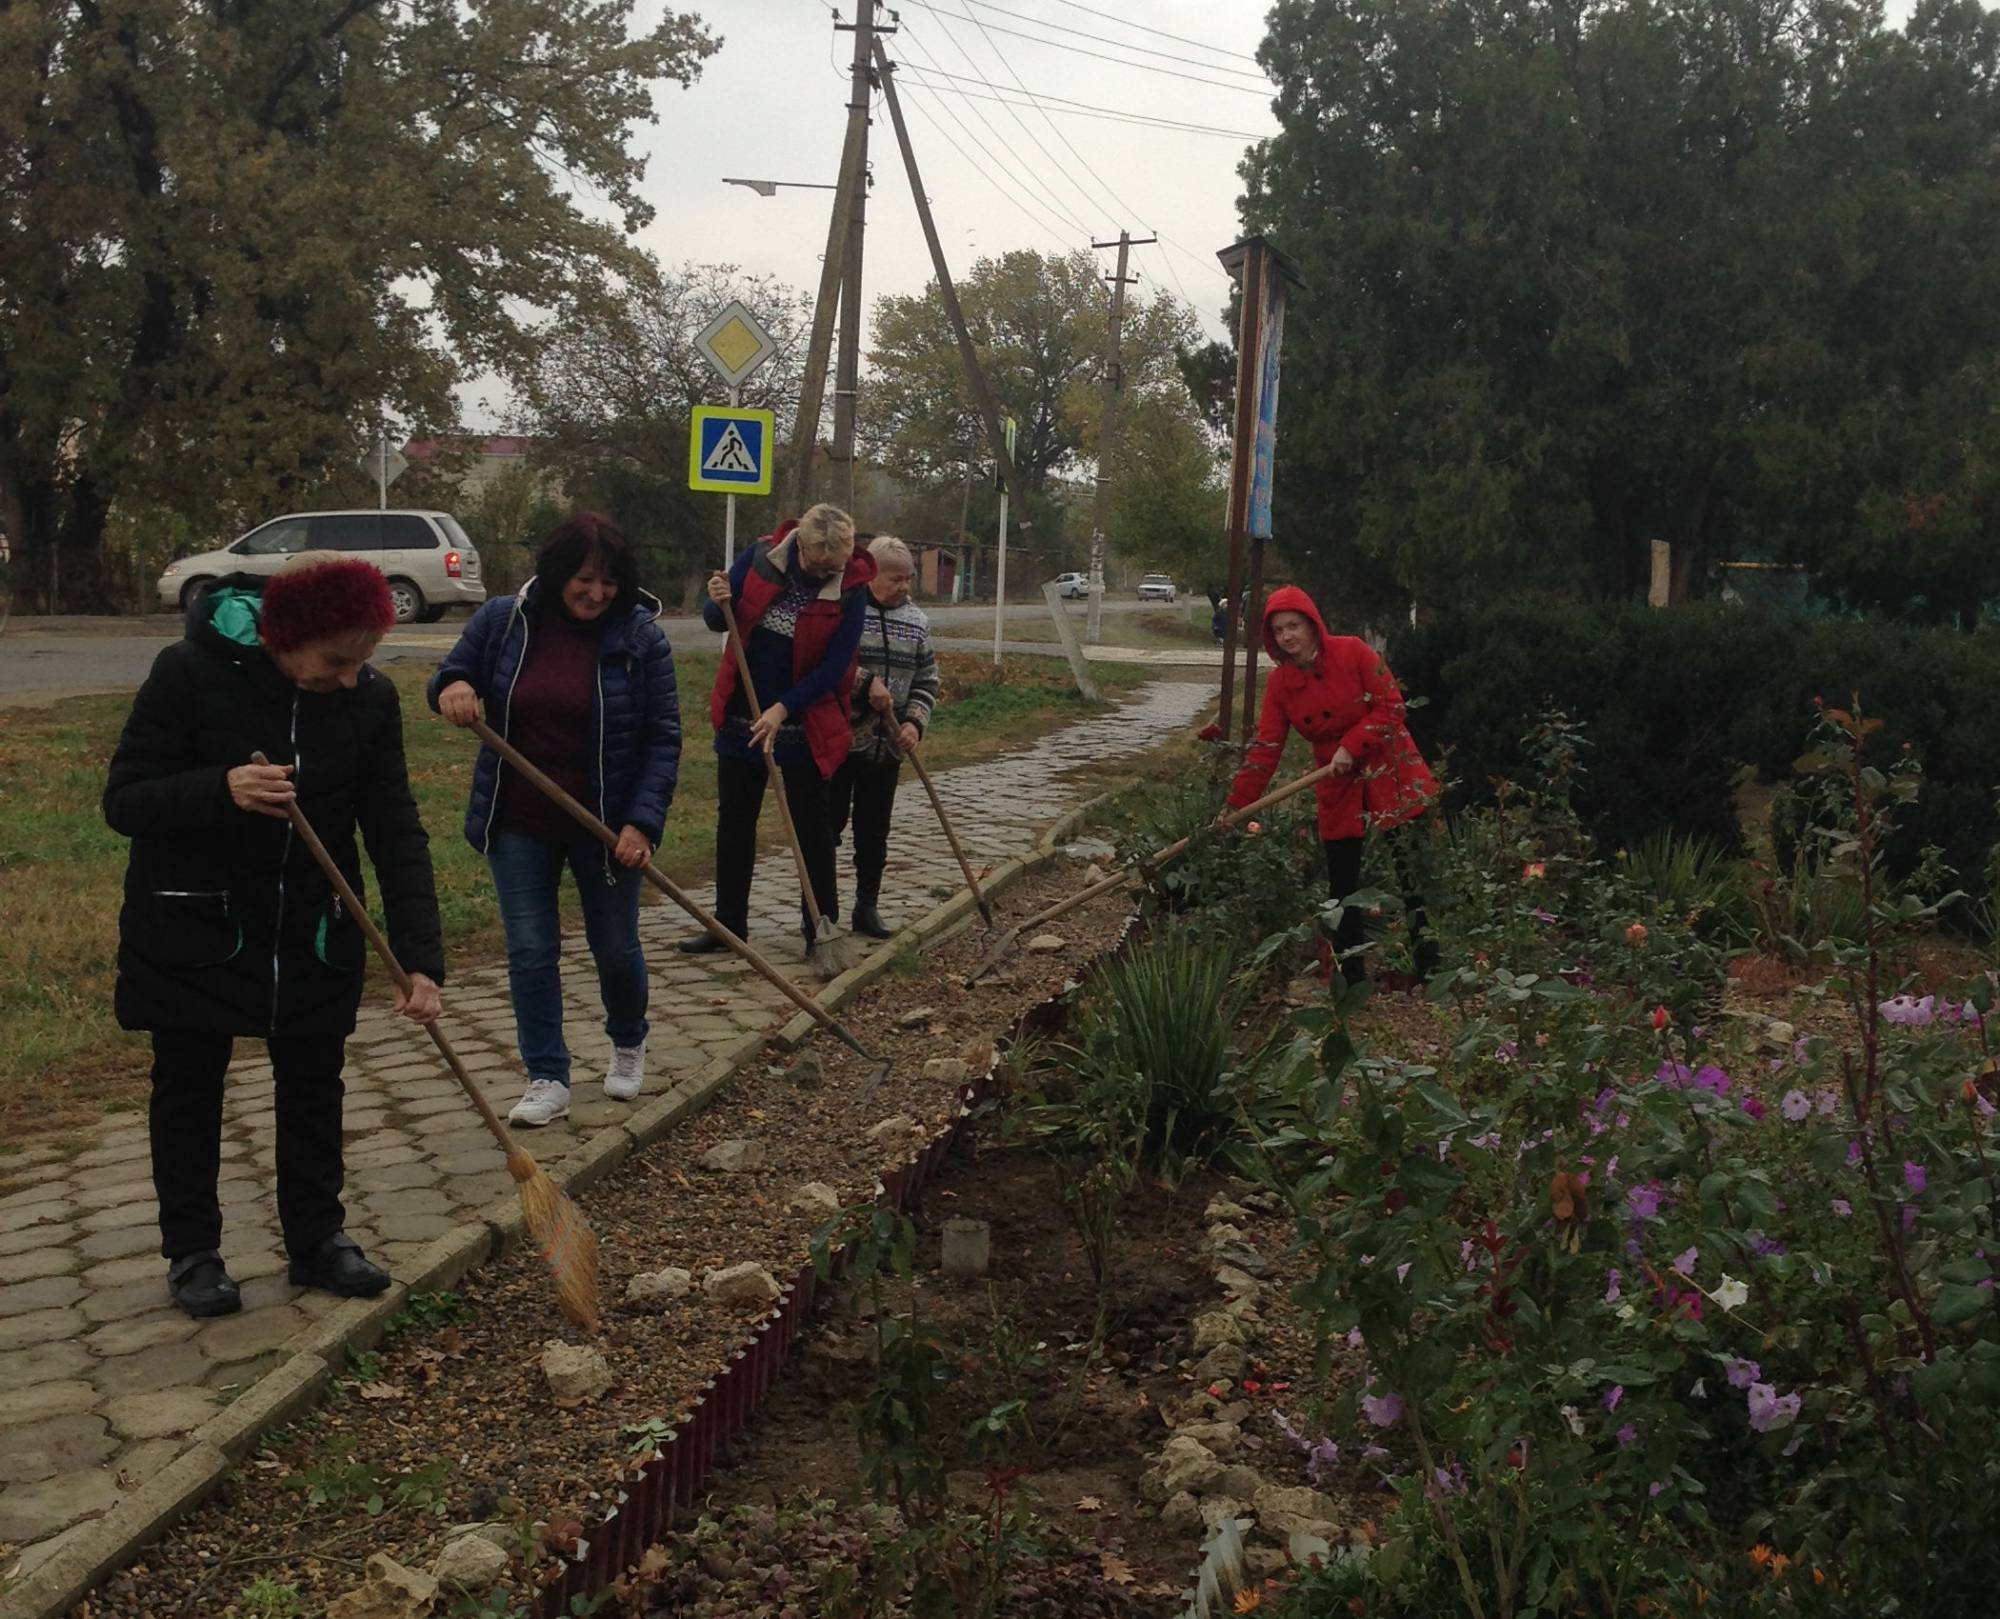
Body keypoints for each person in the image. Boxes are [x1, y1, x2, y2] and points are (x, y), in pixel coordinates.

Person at [104, 551, 445, 1319]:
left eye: (365, 660)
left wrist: (420, 959)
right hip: (198, 926)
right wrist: (221, 788)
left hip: (312, 928)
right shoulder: (187, 673)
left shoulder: (369, 701)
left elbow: (394, 829)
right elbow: (124, 799)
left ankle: (318, 1239)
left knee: (314, 1084)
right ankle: (193, 1251)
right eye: (336, 660)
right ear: (284, 639)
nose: (353, 676)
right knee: (190, 1087)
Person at [429, 514, 680, 1128]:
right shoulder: (502, 621)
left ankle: (627, 1041)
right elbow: (447, 677)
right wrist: (455, 688)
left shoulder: (642, 639)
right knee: (531, 949)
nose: (597, 593)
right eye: (585, 579)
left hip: (608, 825)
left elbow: (662, 738)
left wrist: (641, 824)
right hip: (519, 820)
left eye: (609, 581)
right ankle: (548, 1074)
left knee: (616, 947)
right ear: (557, 571)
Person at [681, 503, 875, 956]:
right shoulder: (760, 558)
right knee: (735, 820)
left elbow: (835, 669)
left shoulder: (851, 590)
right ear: (799, 546)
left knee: (814, 828)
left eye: (833, 566)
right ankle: (728, 926)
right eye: (815, 563)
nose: (820, 573)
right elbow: (717, 621)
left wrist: (783, 710)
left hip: (804, 719)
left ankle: (818, 929)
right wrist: (717, 598)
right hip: (742, 710)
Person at [1223, 586, 1439, 986]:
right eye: (1279, 630)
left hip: (1389, 769)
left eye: (1294, 625)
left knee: (1412, 873)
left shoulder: (1354, 652)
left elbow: (1391, 706)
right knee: (1343, 884)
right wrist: (1236, 805)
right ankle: (1352, 980)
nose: (1288, 636)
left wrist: (1351, 746)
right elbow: (1266, 749)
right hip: (1337, 782)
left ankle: (1432, 970)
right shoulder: (1281, 685)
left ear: (1312, 624)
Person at [829, 535, 941, 939]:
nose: (905, 587)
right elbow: (827, 665)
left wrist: (913, 722)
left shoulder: (916, 622)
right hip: (840, 744)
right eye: (896, 579)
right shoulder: (846, 611)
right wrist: (864, 684)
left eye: (908, 579)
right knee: (828, 826)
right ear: (873, 575)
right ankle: (822, 909)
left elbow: (928, 679)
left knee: (874, 832)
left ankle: (867, 906)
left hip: (888, 747)